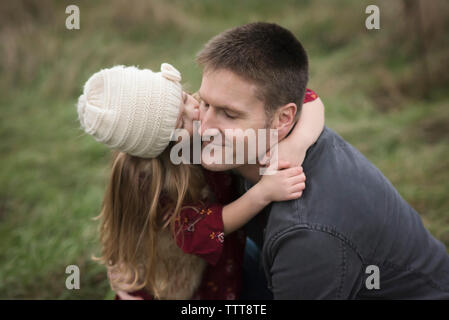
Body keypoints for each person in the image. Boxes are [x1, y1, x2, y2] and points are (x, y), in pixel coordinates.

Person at [196, 22, 449, 299]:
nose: (204, 128)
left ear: (283, 119)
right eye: (205, 104)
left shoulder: (306, 233)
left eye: (229, 115)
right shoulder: (262, 139)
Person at [76, 63, 325, 299]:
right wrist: (262, 193)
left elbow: (308, 99)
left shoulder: (202, 111)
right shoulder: (160, 183)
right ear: (163, 147)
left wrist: (296, 144)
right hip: (189, 284)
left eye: (184, 98)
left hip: (231, 255)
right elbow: (201, 231)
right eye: (180, 123)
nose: (194, 112)